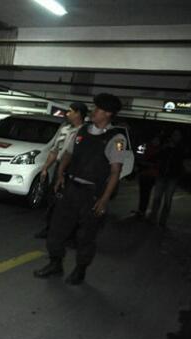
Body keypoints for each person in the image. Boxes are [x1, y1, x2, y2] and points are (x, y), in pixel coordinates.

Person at [34, 93, 126, 285]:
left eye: (98, 109)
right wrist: (60, 174)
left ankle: (80, 270)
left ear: (108, 113)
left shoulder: (116, 138)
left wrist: (104, 199)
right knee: (57, 229)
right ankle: (55, 263)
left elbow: (115, 171)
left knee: (85, 236)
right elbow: (68, 153)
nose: (94, 111)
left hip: (91, 194)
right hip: (71, 188)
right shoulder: (82, 130)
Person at [34, 102, 88, 238]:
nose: (67, 114)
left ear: (78, 113)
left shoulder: (86, 132)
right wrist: (45, 168)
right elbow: (55, 150)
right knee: (53, 198)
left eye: (70, 111)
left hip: (76, 170)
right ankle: (49, 228)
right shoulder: (64, 129)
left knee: (72, 202)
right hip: (60, 167)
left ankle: (71, 234)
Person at [147, 128, 185, 227]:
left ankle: (162, 221)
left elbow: (182, 162)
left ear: (180, 137)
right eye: (174, 134)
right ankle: (153, 218)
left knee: (168, 199)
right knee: (157, 198)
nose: (175, 137)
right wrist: (164, 148)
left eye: (177, 135)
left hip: (173, 177)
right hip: (161, 175)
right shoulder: (166, 146)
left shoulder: (181, 148)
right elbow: (156, 157)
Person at [131, 131, 162, 218]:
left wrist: (147, 164)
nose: (156, 141)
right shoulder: (146, 146)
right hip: (144, 173)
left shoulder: (159, 149)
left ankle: (142, 211)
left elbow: (158, 163)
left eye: (158, 140)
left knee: (146, 193)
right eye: (155, 139)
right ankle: (141, 210)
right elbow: (139, 158)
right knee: (143, 193)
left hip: (151, 175)